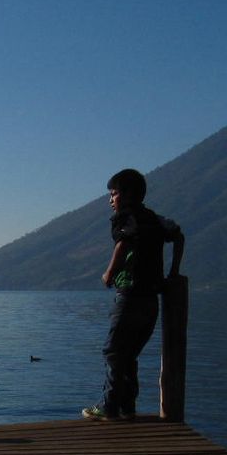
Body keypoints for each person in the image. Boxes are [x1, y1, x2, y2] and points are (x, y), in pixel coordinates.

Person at [82, 168, 183, 421]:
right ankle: (127, 407)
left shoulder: (125, 217)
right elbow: (178, 236)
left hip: (128, 295)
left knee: (114, 352)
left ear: (126, 196)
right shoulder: (154, 219)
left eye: (113, 194)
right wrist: (173, 272)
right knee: (129, 355)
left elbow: (123, 243)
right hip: (151, 300)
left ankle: (109, 407)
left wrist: (108, 274)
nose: (110, 200)